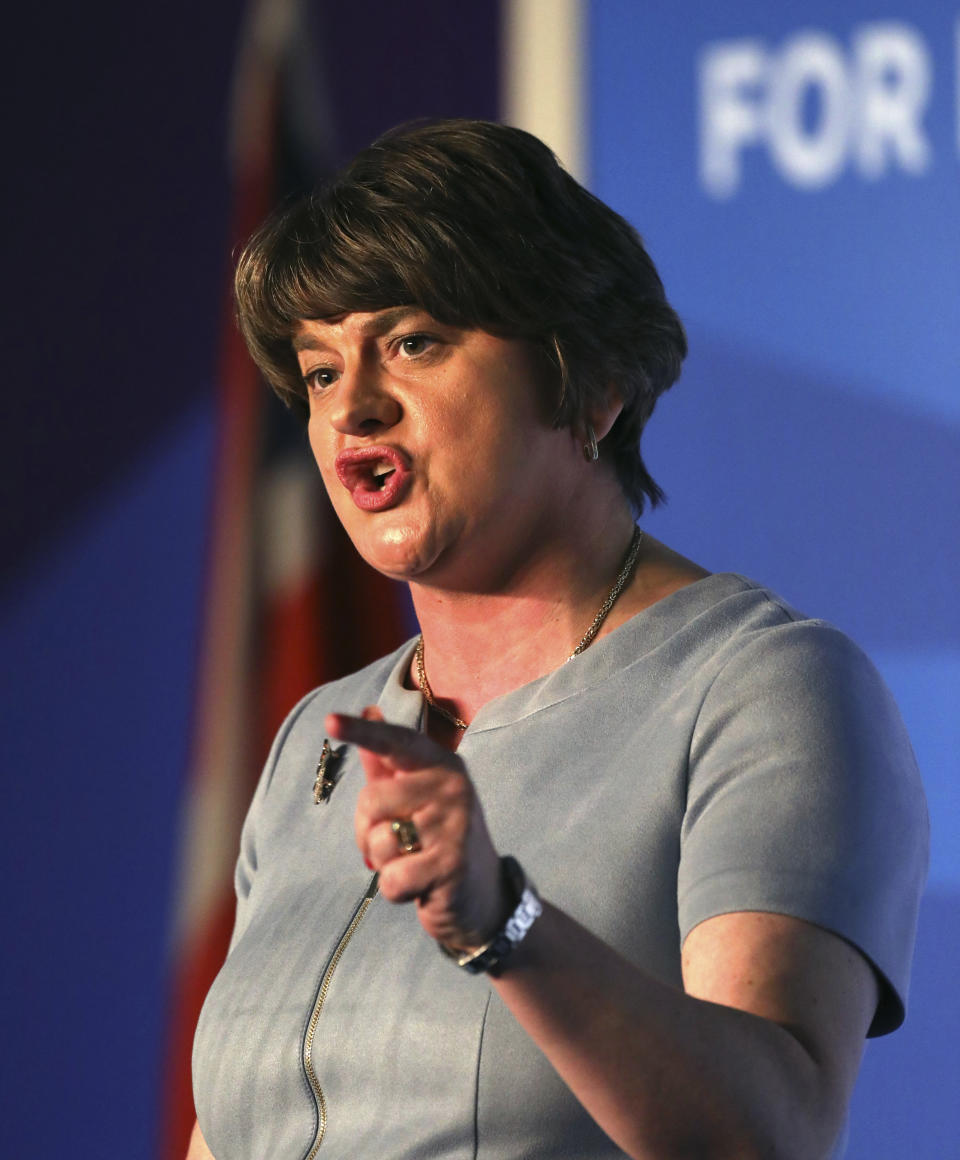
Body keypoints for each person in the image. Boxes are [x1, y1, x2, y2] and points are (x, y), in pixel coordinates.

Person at [188, 119, 928, 1160]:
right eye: (317, 370)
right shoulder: (323, 730)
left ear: (586, 385)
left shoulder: (762, 689)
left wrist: (506, 922)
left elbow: (778, 1131)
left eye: (410, 342)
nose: (352, 405)